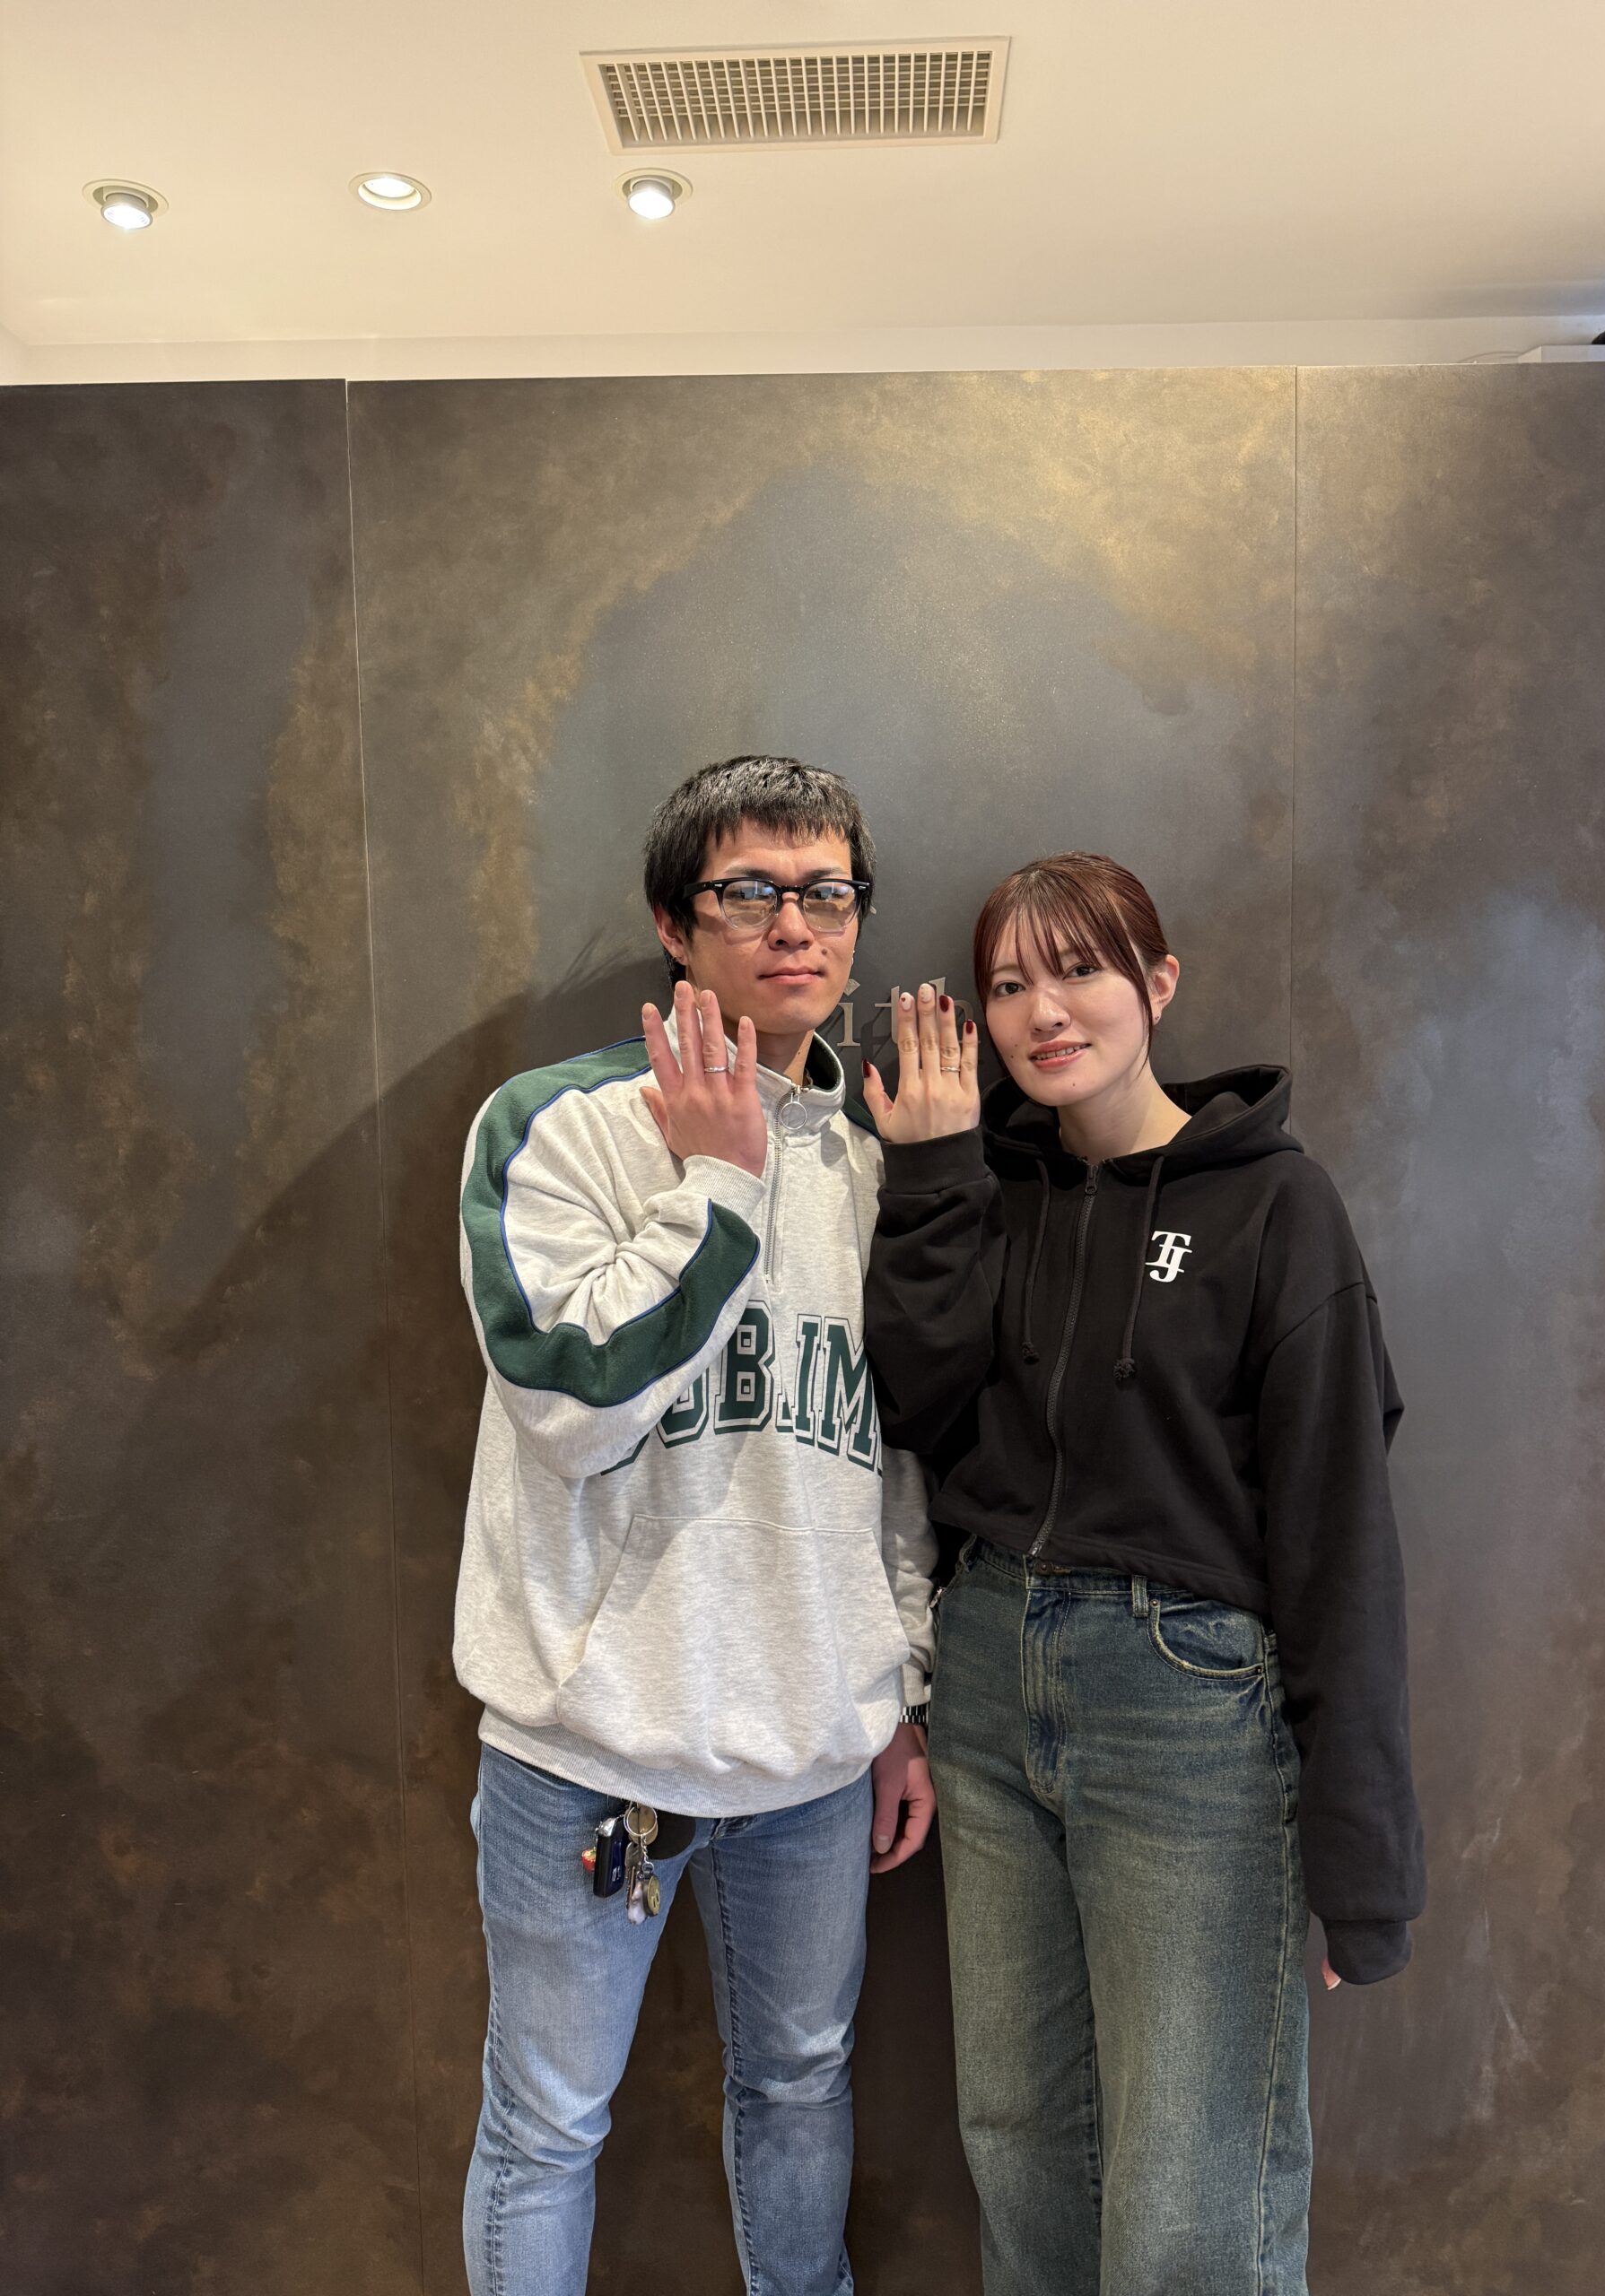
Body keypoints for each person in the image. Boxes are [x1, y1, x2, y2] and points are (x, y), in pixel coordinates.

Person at [859, 851, 1425, 2296]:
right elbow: (911, 1406)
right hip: (989, 1682)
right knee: (1022, 2152)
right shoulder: (988, 1188)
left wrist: (1364, 1868)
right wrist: (932, 1177)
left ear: (1157, 984)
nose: (1044, 1011)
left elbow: (1339, 1537)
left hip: (1186, 1706)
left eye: (1080, 970)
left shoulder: (1278, 1209)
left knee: (1190, 2191)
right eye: (1008, 985)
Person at [454, 755, 938, 2296]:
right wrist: (720, 1183)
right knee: (548, 2126)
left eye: (828, 891)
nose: (797, 923)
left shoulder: (873, 1164)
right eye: (751, 891)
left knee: (800, 2088)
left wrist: (900, 1696)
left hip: (815, 1761)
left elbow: (896, 1461)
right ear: (676, 922)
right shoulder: (558, 1125)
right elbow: (574, 1404)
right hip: (589, 1754)